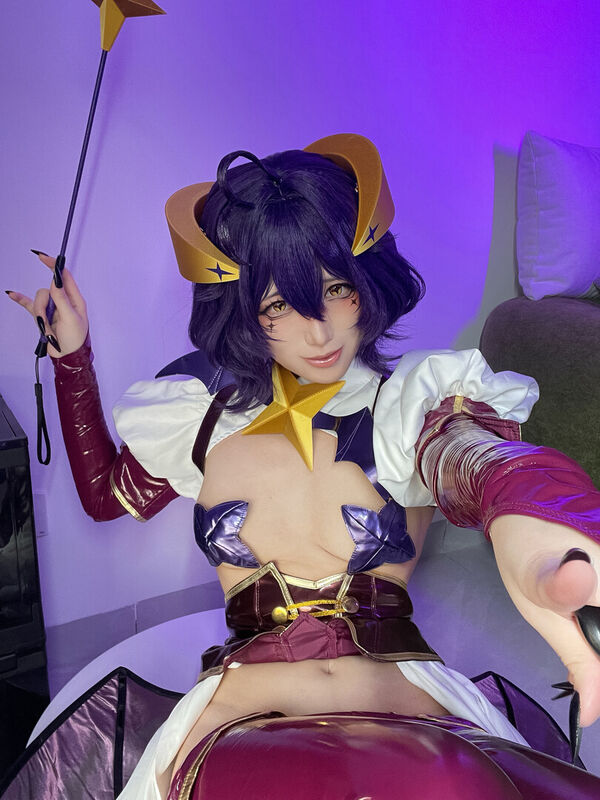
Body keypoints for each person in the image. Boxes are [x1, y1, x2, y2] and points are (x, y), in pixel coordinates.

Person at [4, 134, 600, 799]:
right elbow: (108, 495)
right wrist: (73, 359)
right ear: (241, 309)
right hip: (243, 717)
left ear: (368, 280)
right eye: (280, 304)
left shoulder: (409, 404)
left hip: (412, 708)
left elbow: (477, 458)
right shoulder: (199, 416)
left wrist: (539, 513)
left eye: (337, 289)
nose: (319, 333)